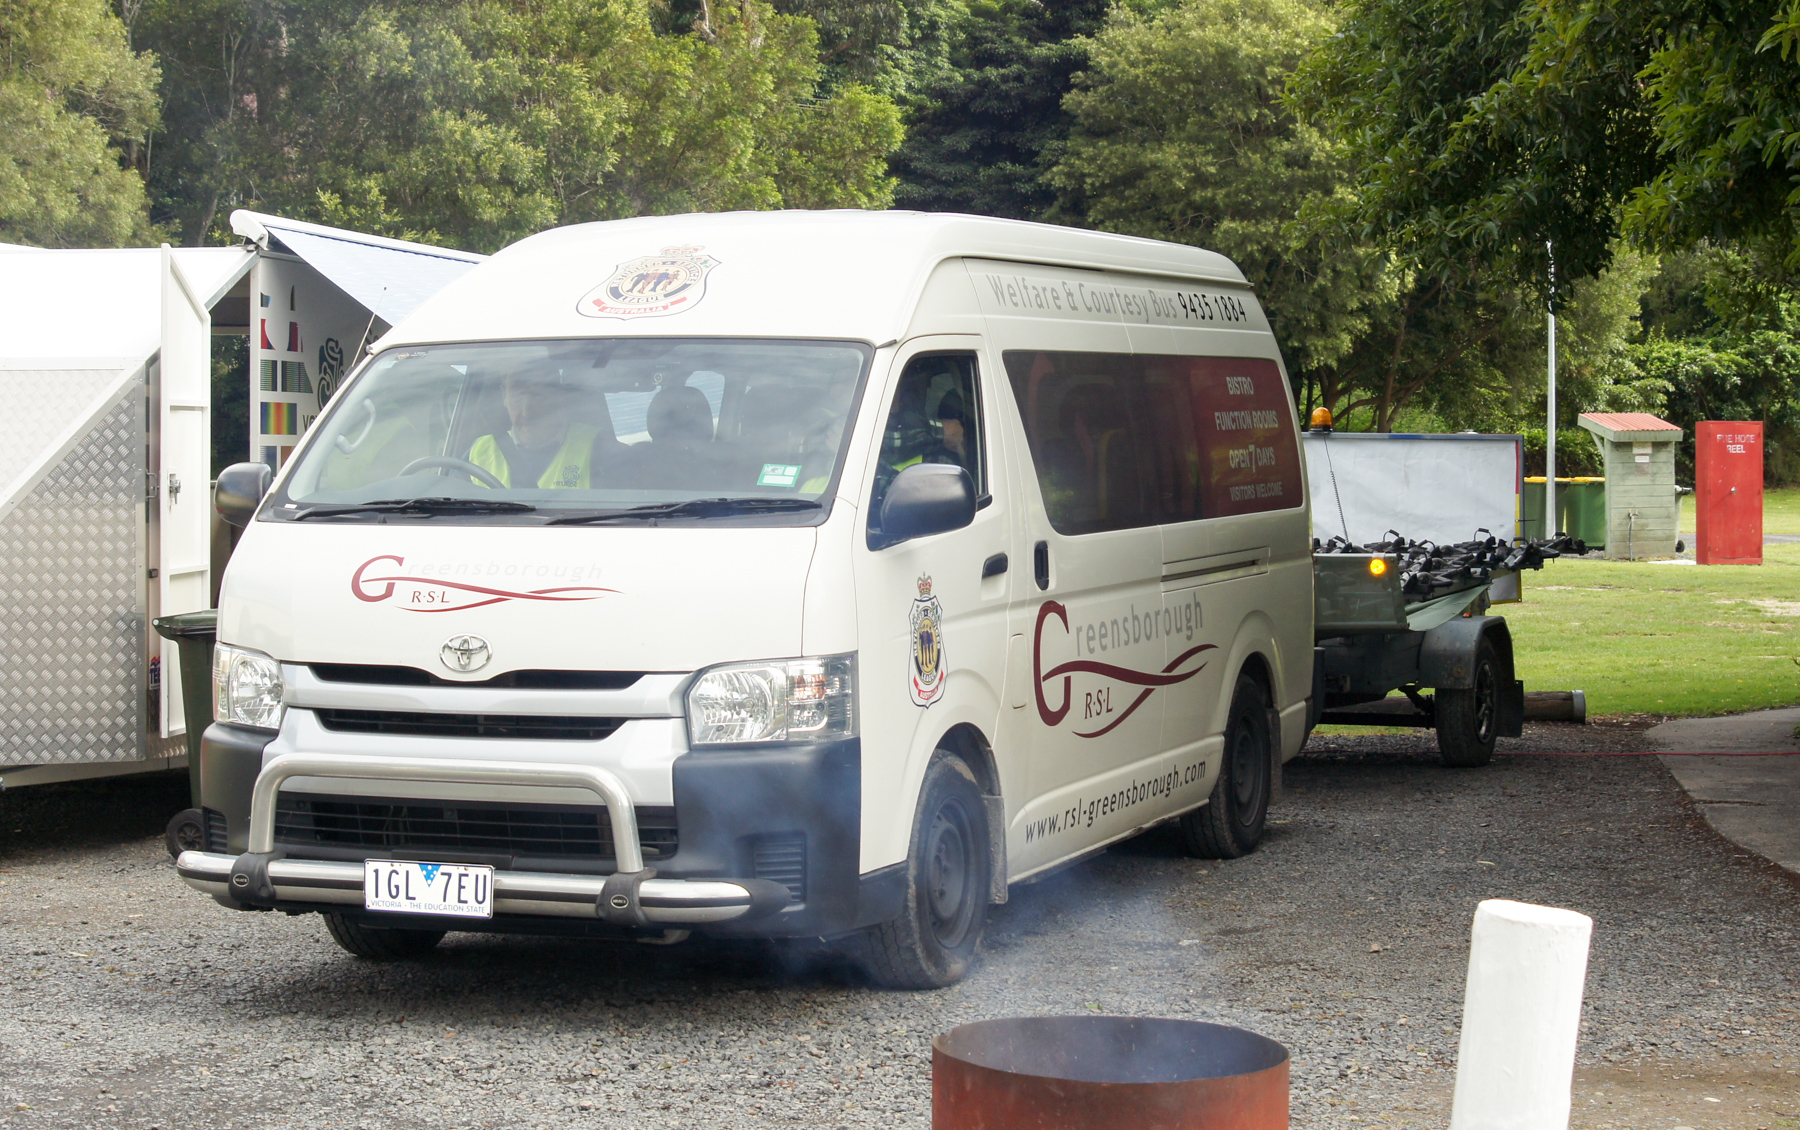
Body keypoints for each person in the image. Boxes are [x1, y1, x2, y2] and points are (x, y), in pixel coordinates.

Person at [469, 372, 602, 488]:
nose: (526, 412)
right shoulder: (480, 450)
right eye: (517, 399)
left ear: (557, 396)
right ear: (504, 396)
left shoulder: (598, 446)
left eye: (538, 397)